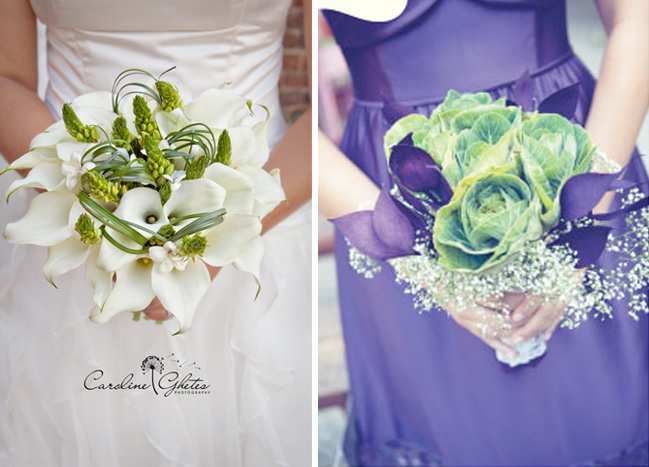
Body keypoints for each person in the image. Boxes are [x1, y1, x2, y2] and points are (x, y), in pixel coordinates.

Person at [319, 0, 648, 465]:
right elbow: (283, 109)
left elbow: (635, 18)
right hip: (396, 192)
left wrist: (583, 212)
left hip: (576, 156)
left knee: (604, 417)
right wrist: (416, 257)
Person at [0, 0, 312, 465]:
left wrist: (211, 242)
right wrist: (97, 204)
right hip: (70, 225)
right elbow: (7, 77)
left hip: (254, 227)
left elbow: (322, 105)